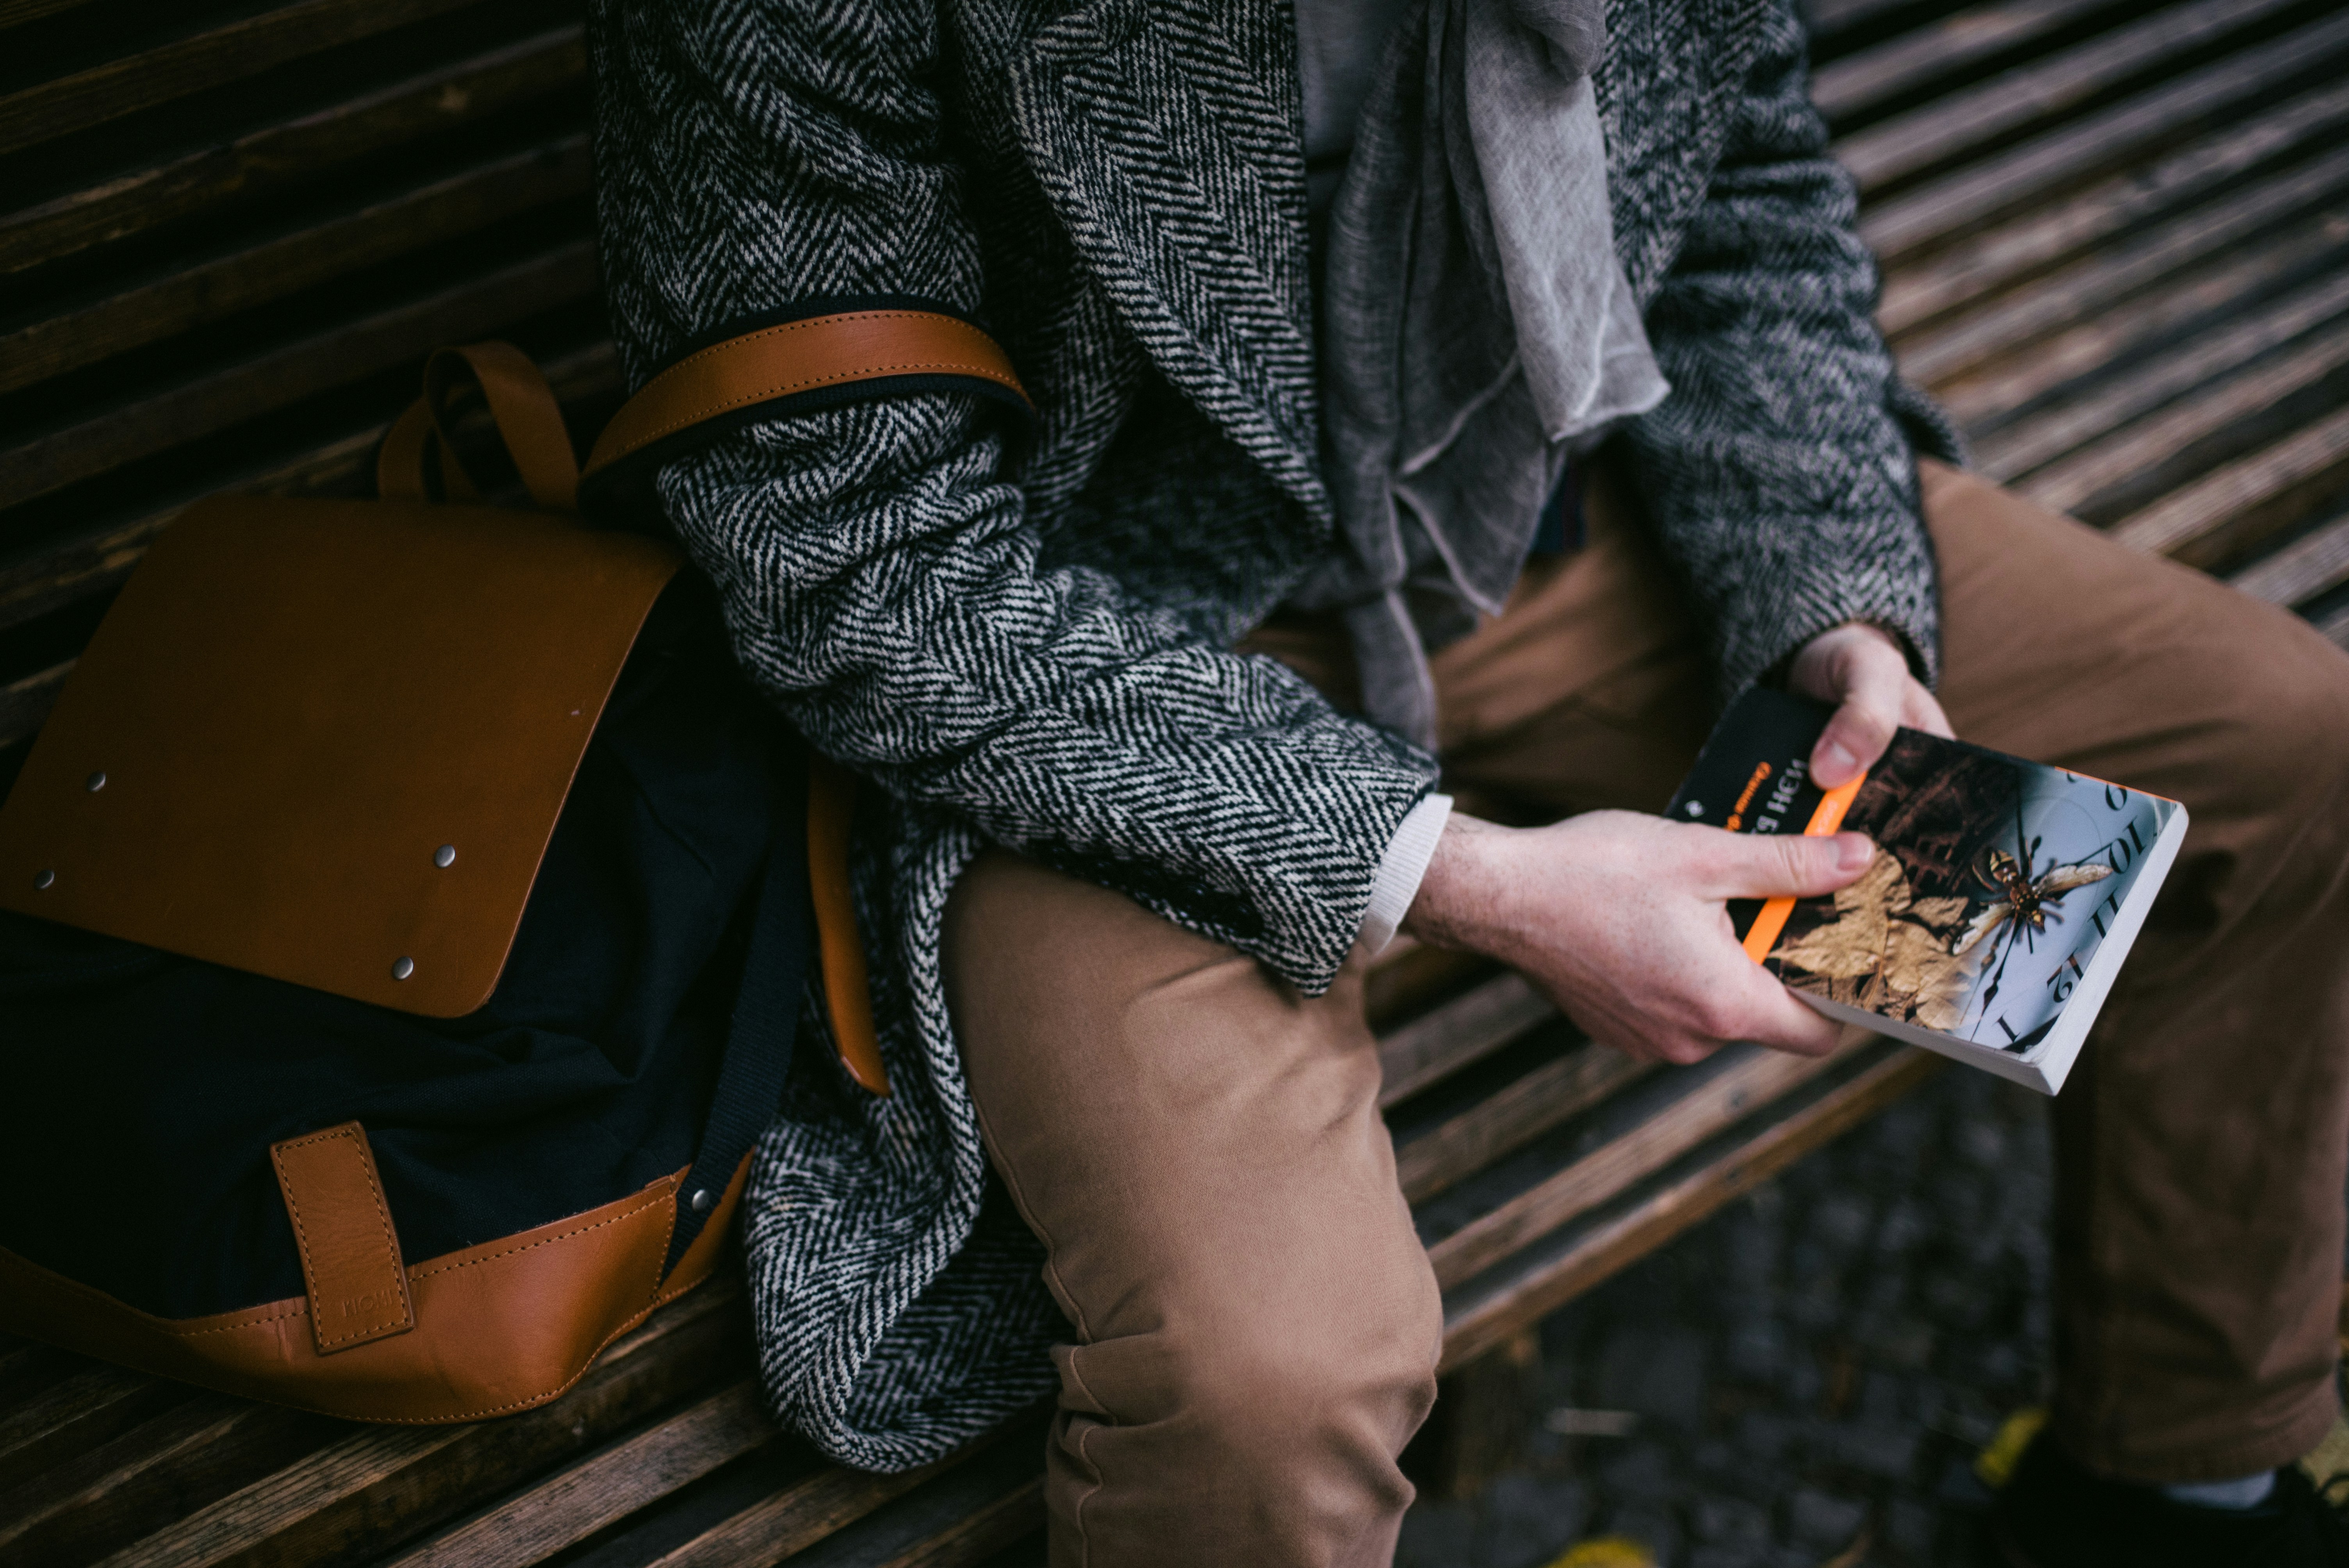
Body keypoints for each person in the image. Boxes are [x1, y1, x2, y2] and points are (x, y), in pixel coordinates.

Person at [584, 0, 2349, 1561]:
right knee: (1272, 1377)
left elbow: (1733, 199)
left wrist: (1836, 609)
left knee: (2284, 745)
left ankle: (2165, 1493)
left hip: (1550, 513)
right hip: (1087, 655)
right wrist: (1464, 871)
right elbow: (863, 562)